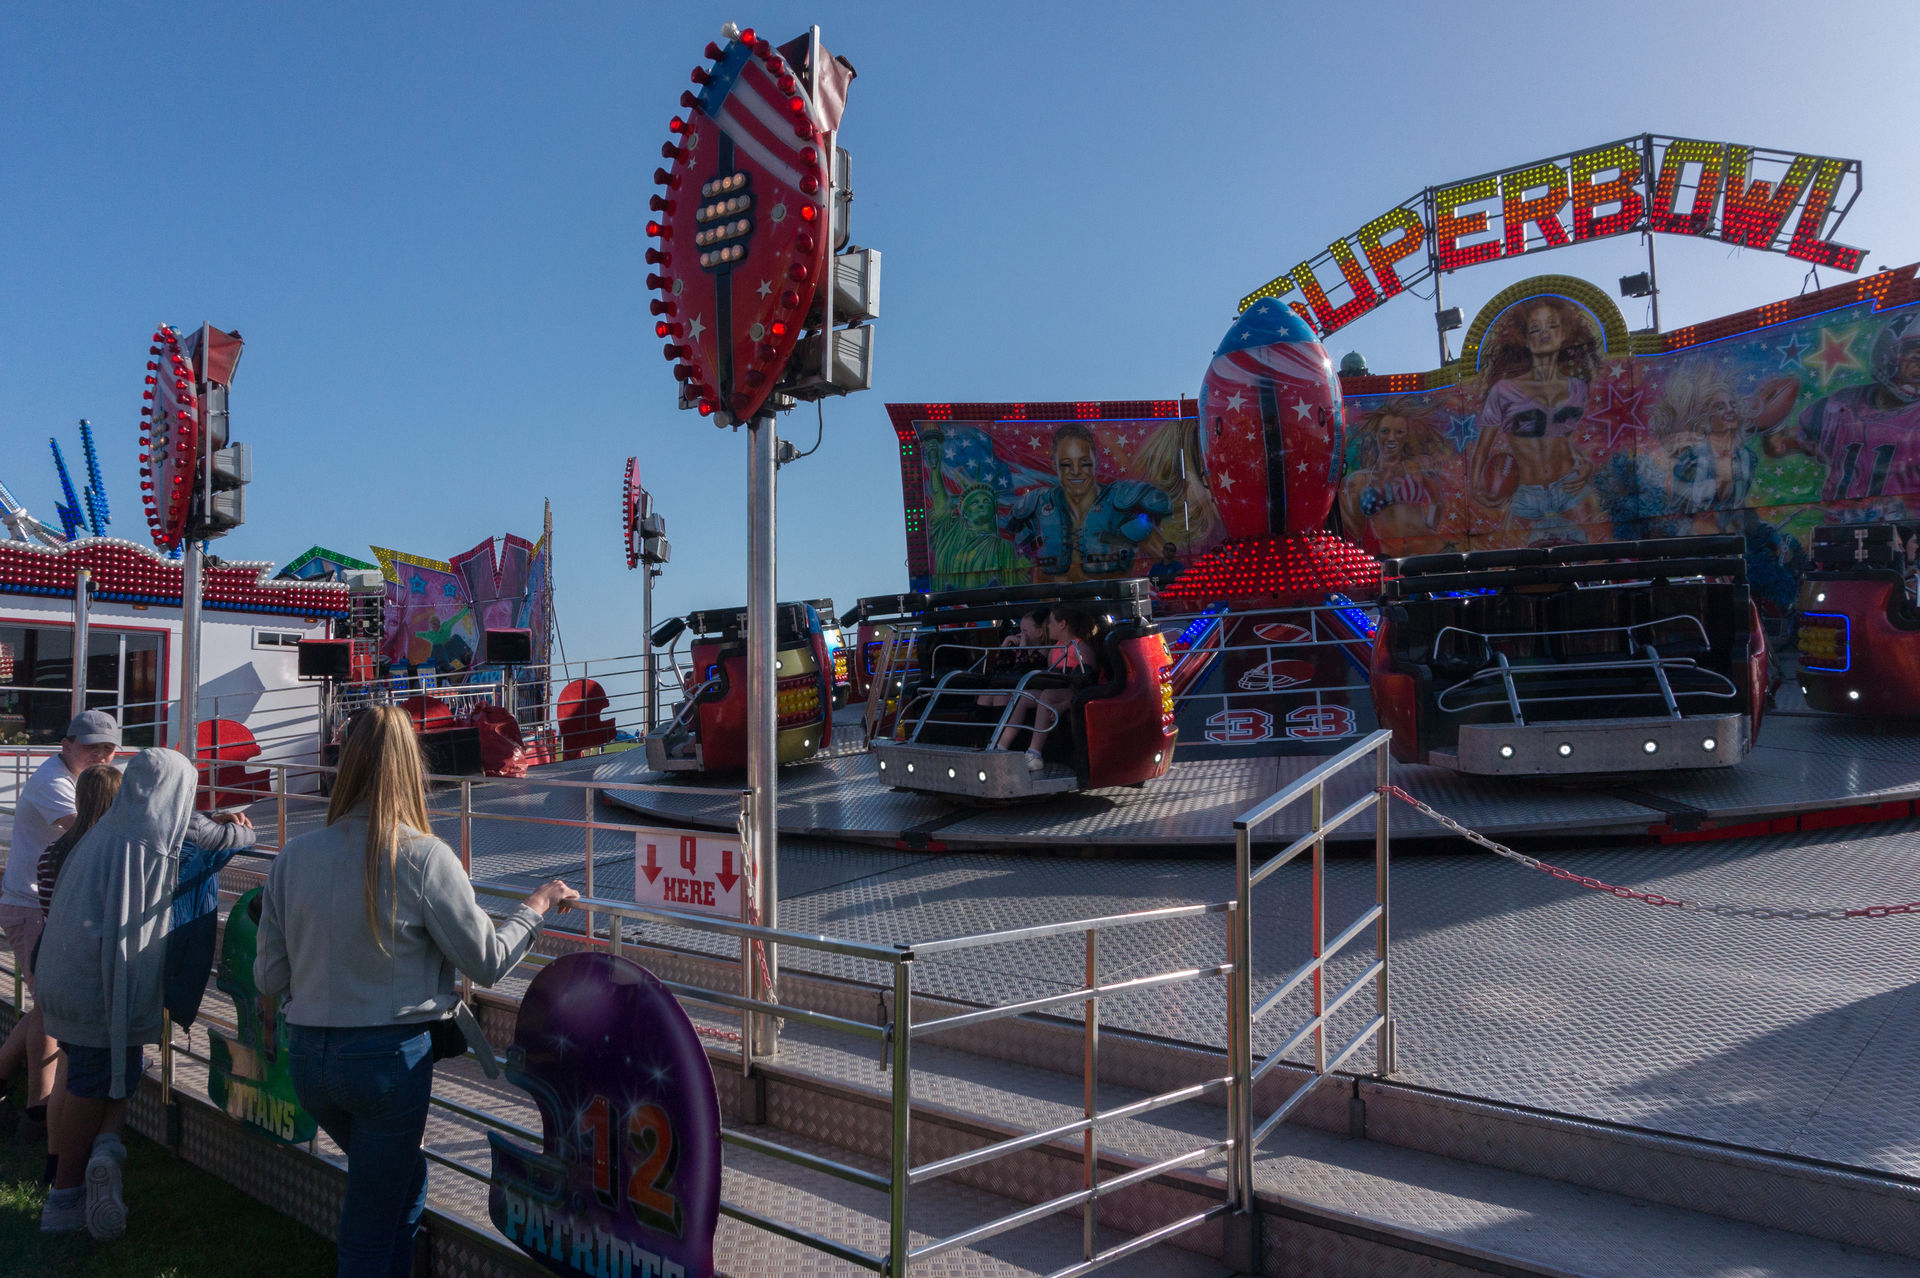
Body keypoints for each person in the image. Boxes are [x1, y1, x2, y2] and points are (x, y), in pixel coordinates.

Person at [254, 705, 578, 1277]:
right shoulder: (425, 857)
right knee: (370, 1220)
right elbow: (487, 960)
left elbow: (269, 979)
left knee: (401, 1183)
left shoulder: (293, 857)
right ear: (412, 766)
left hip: (308, 1059)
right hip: (386, 1065)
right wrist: (538, 904)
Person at [34, 748, 208, 1238]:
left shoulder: (101, 834)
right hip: (102, 990)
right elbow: (210, 841)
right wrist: (241, 833)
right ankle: (65, 1197)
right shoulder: (150, 843)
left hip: (67, 980)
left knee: (109, 1074)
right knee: (93, 1084)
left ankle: (104, 1155)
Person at [0, 710, 119, 1148]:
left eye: (107, 748)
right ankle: (38, 1111)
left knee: (45, 1007)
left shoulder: (73, 777)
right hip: (33, 906)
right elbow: (89, 831)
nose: (100, 755)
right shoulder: (53, 782)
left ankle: (24, 1100)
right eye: (91, 747)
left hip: (41, 904)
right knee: (51, 1011)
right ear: (66, 745)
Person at [1467, 297, 1602, 538]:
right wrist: (1476, 487)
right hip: (1526, 495)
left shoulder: (1578, 388)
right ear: (1526, 340)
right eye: (1535, 329)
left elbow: (1560, 438)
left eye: (1552, 325)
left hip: (1570, 487)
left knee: (1593, 554)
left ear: (1563, 334)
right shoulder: (1504, 390)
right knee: (1521, 559)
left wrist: (1587, 464)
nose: (1544, 333)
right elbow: (1482, 448)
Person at [1005, 425, 1172, 581]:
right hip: (1055, 602)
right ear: (1054, 464)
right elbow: (1018, 571)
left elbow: (1169, 561)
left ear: (1096, 461)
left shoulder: (1120, 506)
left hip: (1113, 601)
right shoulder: (1037, 508)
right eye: (1066, 464)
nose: (1076, 471)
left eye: (1084, 463)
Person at [1339, 398, 1460, 555]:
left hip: (1433, 550)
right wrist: (1338, 497)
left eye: (1399, 432)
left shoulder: (1415, 468)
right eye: (1385, 431)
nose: (1391, 438)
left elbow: (1438, 502)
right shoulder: (1359, 480)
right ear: (1375, 433)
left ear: (1406, 436)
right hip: (1391, 557)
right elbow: (1357, 530)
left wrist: (1427, 529)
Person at [995, 605, 1098, 771]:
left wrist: (1062, 705)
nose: (1047, 626)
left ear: (1062, 624)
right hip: (1059, 690)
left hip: (1075, 693)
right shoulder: (1055, 649)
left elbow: (1088, 683)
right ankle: (1001, 746)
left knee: (1047, 696)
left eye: (1050, 623)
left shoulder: (1081, 648)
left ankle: (1034, 753)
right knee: (1025, 695)